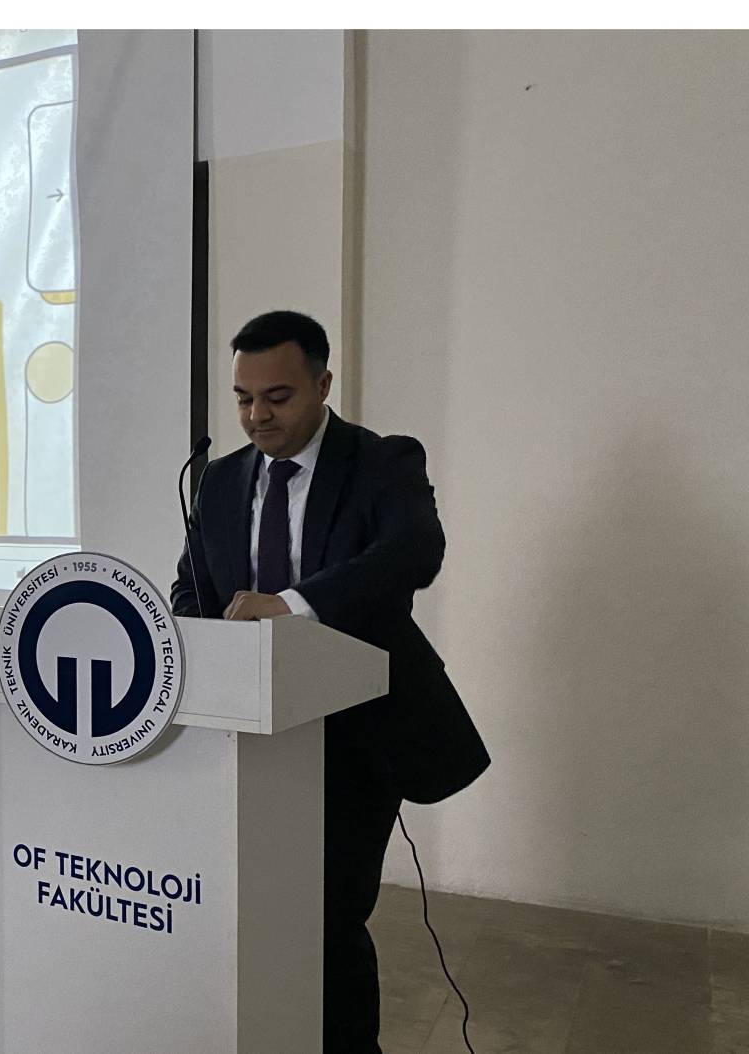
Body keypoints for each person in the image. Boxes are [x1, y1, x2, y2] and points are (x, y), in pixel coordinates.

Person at [172, 310, 490, 1054]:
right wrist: (205, 642)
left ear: (322, 383)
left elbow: (413, 552)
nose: (257, 415)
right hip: (249, 734)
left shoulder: (381, 462)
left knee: (327, 915)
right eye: (243, 398)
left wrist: (292, 606)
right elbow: (192, 584)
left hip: (355, 730)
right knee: (252, 907)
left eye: (277, 397)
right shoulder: (219, 481)